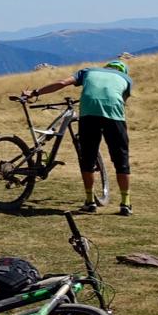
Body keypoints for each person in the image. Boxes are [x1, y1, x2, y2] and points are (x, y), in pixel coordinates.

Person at [25, 57, 133, 215]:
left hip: (89, 115)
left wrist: (35, 92)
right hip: (114, 117)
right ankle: (125, 203)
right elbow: (122, 101)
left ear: (106, 67)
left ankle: (90, 201)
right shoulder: (126, 79)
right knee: (121, 159)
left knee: (87, 158)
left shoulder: (89, 70)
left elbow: (62, 83)